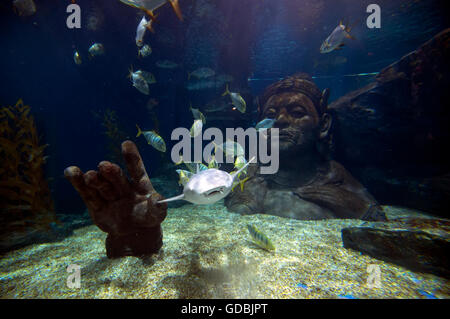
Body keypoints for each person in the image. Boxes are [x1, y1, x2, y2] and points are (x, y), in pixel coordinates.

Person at [225, 73, 386, 221]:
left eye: (296, 113)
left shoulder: (334, 175)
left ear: (324, 125)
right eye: (270, 116)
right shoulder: (249, 173)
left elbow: (375, 217)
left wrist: (348, 202)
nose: (280, 120)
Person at [64, 141, 168, 258]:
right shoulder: (111, 214)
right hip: (119, 251)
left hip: (129, 250)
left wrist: (146, 219)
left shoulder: (145, 207)